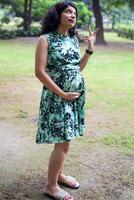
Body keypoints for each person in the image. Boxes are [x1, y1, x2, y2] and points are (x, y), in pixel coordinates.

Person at [35, 2, 98, 200]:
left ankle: (59, 175)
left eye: (75, 13)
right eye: (68, 11)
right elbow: (39, 72)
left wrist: (89, 49)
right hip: (57, 97)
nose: (72, 15)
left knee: (66, 141)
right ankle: (50, 185)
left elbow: (76, 69)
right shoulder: (45, 39)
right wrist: (62, 93)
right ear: (57, 14)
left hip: (73, 98)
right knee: (62, 144)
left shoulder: (72, 40)